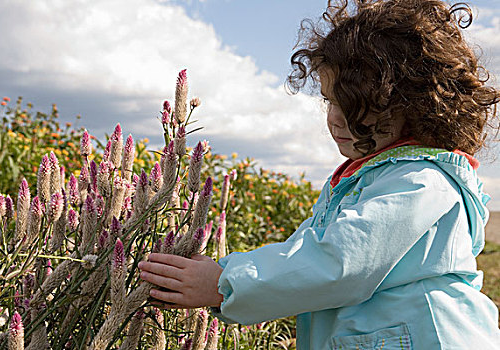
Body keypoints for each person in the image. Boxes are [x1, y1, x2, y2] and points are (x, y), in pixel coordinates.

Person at [138, 0, 500, 348]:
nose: (335, 118)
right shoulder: (361, 178)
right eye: (330, 100)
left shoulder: (420, 181)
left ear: (416, 105)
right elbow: (302, 254)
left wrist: (224, 283)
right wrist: (224, 270)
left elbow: (341, 262)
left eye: (358, 105)